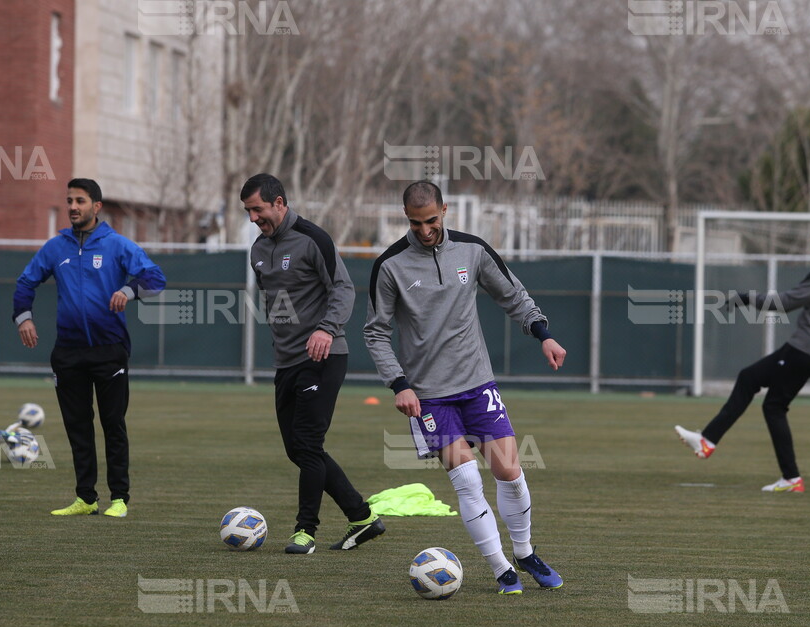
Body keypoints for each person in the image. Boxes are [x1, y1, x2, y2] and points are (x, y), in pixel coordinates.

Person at [363, 181, 566, 595]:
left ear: (445, 211)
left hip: (476, 383)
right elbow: (375, 333)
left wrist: (543, 333)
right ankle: (501, 569)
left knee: (509, 470)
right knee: (468, 480)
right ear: (407, 218)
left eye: (432, 221)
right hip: (428, 394)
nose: (424, 230)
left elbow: (514, 295)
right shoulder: (390, 265)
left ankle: (525, 553)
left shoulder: (472, 250)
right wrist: (399, 384)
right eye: (415, 223)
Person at [674, 216, 810, 491]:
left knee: (748, 379)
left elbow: (785, 302)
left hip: (804, 349)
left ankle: (708, 441)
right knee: (773, 406)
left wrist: (747, 298)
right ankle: (791, 478)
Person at [241, 173, 385, 555]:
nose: (254, 218)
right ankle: (361, 515)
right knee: (298, 450)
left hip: (323, 356)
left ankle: (305, 532)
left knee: (307, 443)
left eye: (258, 209)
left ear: (280, 203)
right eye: (248, 212)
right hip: (286, 362)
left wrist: (325, 328)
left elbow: (343, 288)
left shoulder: (312, 238)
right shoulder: (257, 250)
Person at [13, 178, 166, 517]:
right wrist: (24, 317)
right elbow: (25, 282)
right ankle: (86, 498)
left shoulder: (117, 245)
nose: (72, 207)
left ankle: (120, 499)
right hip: (68, 352)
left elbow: (156, 279)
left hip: (109, 349)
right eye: (69, 200)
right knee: (78, 426)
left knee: (113, 424)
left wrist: (128, 291)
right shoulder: (56, 247)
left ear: (96, 207)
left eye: (79, 200)